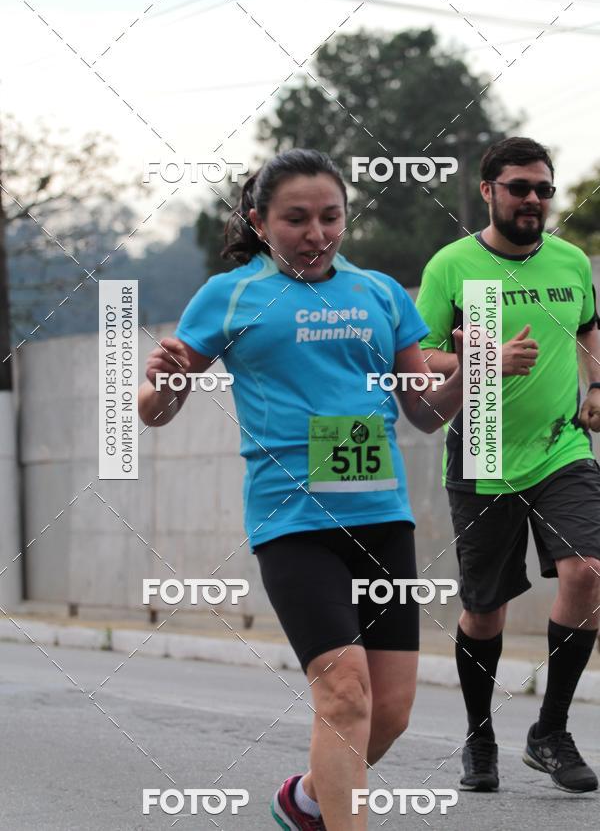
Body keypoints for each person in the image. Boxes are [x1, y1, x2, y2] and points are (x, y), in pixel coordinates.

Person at [138, 148, 464, 830]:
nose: (316, 235)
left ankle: (307, 799)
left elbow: (425, 414)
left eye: (330, 217)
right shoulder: (229, 296)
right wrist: (165, 382)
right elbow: (155, 407)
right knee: (344, 695)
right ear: (258, 221)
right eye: (295, 220)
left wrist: (470, 373)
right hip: (293, 522)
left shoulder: (377, 293)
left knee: (392, 712)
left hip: (382, 518)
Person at [415, 136, 600, 795]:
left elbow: (588, 326)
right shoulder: (452, 267)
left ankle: (550, 731)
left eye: (544, 188)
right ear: (489, 191)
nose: (533, 199)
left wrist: (596, 386)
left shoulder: (572, 262)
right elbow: (416, 357)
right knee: (484, 609)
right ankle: (478, 737)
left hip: (561, 447)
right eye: (519, 187)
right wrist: (480, 360)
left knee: (589, 570)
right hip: (483, 451)